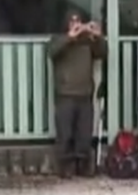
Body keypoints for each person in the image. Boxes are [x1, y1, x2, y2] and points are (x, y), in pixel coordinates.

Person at [46, 11, 107, 178]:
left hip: (85, 93)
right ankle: (65, 167)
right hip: (65, 93)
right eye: (72, 21)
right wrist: (70, 37)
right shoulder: (58, 39)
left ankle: (84, 166)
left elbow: (103, 53)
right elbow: (52, 52)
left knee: (84, 133)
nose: (76, 24)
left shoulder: (88, 41)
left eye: (78, 20)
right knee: (65, 133)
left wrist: (98, 36)